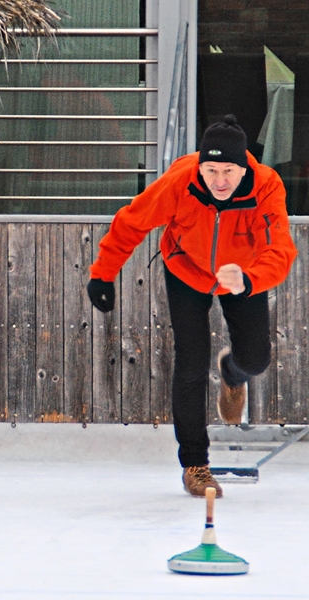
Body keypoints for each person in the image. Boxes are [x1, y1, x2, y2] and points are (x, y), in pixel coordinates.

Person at [87, 115, 297, 498]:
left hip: (241, 274)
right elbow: (131, 222)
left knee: (255, 360)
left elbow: (280, 248)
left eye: (228, 170)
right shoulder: (180, 181)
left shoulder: (266, 186)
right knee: (190, 364)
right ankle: (196, 465)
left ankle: (233, 374)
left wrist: (249, 279)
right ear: (200, 165)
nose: (219, 180)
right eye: (211, 169)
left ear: (244, 165)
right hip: (186, 269)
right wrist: (103, 273)